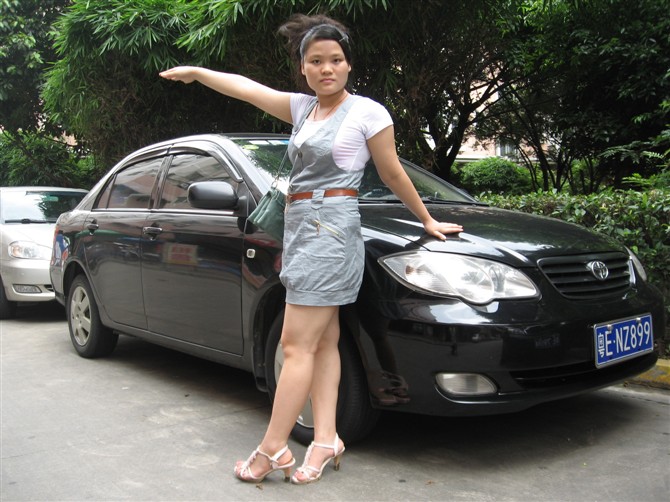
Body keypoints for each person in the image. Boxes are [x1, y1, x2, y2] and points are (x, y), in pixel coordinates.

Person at [160, 13, 463, 485]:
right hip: (301, 227)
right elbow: (246, 88)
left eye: (336, 60)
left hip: (332, 230)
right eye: (316, 61)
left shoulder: (367, 113)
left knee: (294, 345)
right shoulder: (304, 108)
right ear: (303, 68)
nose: (327, 69)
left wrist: (426, 219)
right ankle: (325, 439)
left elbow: (391, 172)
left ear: (348, 64)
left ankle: (272, 448)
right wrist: (198, 73)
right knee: (321, 343)